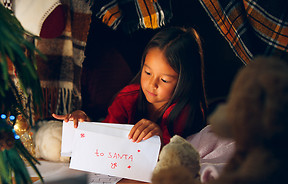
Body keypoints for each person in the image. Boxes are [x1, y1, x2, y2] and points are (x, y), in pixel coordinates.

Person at [53, 26, 207, 146]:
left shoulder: (187, 110)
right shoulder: (128, 97)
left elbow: (178, 157)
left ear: (184, 81)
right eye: (147, 72)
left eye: (165, 80)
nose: (152, 84)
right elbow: (107, 135)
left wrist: (158, 139)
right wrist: (85, 125)